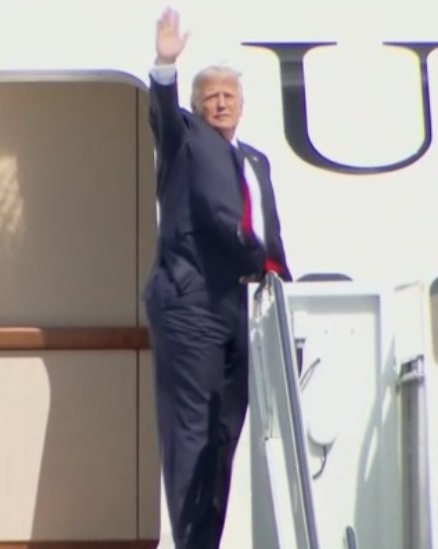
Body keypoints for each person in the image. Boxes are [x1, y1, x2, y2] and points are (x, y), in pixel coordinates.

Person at [142, 7, 293, 549]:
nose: (221, 102)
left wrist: (282, 289)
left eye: (230, 95)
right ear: (197, 106)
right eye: (211, 96)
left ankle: (205, 538)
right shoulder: (184, 140)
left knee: (225, 431)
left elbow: (267, 233)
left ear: (243, 105)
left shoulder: (255, 159)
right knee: (192, 431)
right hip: (191, 301)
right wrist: (165, 63)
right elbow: (161, 110)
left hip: (239, 306)